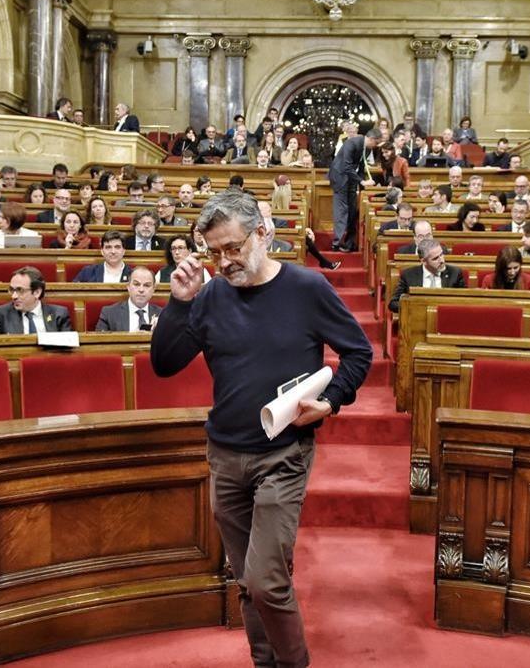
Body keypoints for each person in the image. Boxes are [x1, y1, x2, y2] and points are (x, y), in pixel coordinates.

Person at [150, 191, 371, 668]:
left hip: (283, 454)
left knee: (266, 579)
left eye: (233, 247)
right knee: (247, 581)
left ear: (263, 234)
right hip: (225, 455)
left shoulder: (306, 288)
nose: (225, 261)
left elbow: (359, 353)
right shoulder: (207, 296)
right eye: (214, 252)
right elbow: (165, 364)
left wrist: (331, 401)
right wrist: (178, 304)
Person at [328, 126, 382, 252]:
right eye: (376, 142)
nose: (376, 145)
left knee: (352, 209)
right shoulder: (352, 143)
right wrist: (362, 181)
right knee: (342, 210)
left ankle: (349, 242)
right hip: (340, 178)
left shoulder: (368, 149)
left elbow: (361, 166)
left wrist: (362, 186)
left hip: (352, 179)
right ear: (371, 139)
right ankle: (337, 242)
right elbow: (346, 166)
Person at [0, 266, 73, 334]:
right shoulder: (1, 314)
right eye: (12, 290)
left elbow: (67, 349)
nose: (14, 296)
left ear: (37, 292)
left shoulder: (59, 314)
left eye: (20, 290)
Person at [388, 239, 466, 312]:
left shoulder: (455, 273)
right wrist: (416, 308)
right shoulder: (408, 275)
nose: (442, 260)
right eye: (435, 258)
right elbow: (393, 303)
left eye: (441, 255)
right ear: (423, 261)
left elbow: (465, 301)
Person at [95, 267, 163, 332]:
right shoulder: (109, 313)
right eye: (136, 284)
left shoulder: (162, 315)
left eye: (147, 285)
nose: (141, 290)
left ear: (153, 289)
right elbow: (99, 341)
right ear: (128, 287)